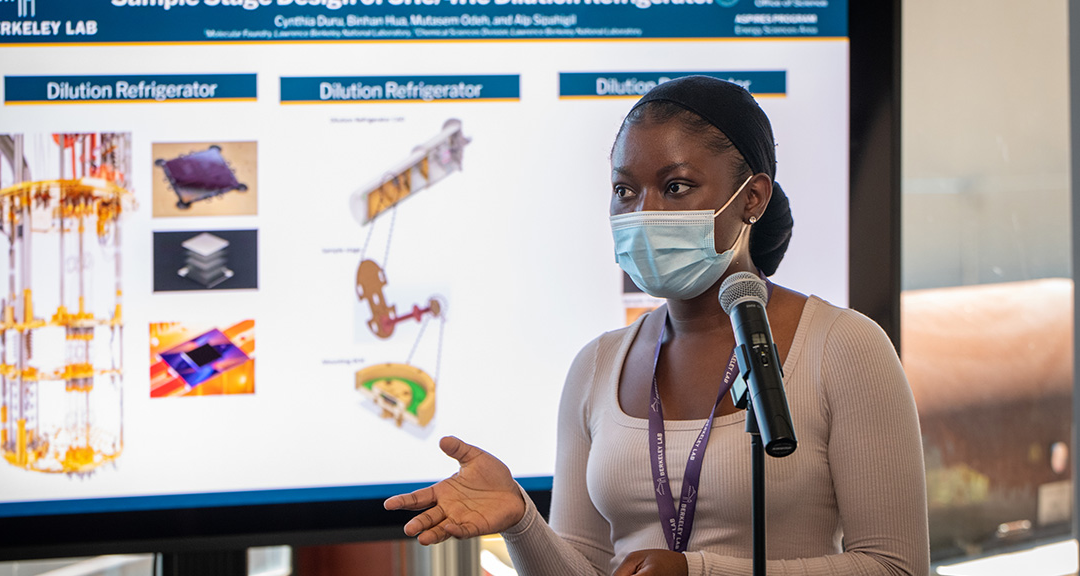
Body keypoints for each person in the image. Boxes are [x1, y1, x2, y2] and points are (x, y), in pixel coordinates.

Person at [384, 75, 929, 576]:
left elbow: (894, 567)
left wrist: (699, 572)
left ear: (753, 199)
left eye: (675, 187)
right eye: (625, 190)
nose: (643, 212)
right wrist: (521, 520)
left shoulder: (843, 347)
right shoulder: (597, 365)